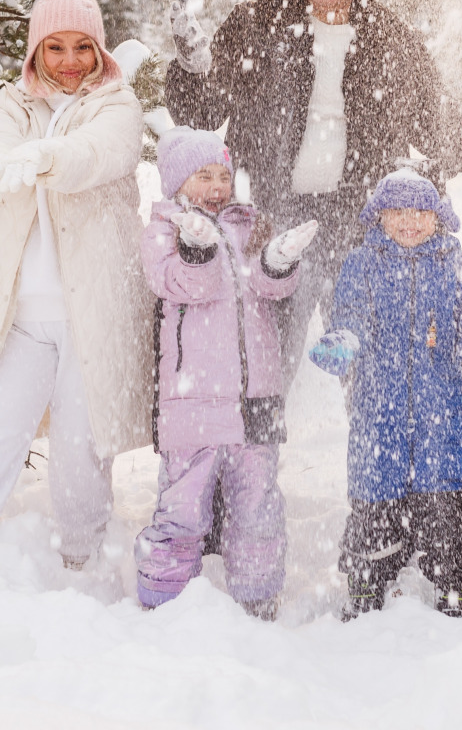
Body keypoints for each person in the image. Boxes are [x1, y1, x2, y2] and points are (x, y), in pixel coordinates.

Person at [165, 0, 462, 379]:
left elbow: (444, 132)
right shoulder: (255, 25)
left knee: (373, 378)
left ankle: (372, 450)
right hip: (271, 224)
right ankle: (259, 450)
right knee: (260, 378)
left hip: (358, 233)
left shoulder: (390, 40)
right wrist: (193, 68)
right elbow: (200, 110)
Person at [0, 0, 151, 570]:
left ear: (99, 51)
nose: (69, 61)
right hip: (23, 318)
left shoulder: (117, 105)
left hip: (91, 316)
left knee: (82, 451)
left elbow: (97, 152)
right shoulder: (12, 105)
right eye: (54, 47)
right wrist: (1, 158)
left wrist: (47, 158)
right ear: (35, 52)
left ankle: (82, 561)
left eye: (82, 47)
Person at [133, 128, 319, 619]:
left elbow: (270, 290)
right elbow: (179, 283)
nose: (217, 186)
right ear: (176, 182)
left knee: (257, 506)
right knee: (183, 508)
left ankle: (258, 598)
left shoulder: (248, 224)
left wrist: (278, 263)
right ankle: (163, 600)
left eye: (223, 175)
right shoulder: (164, 230)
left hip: (257, 399)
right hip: (192, 404)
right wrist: (197, 249)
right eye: (203, 176)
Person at [309, 168, 462, 619]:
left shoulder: (458, 266)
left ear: (438, 217)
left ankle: (453, 580)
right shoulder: (363, 263)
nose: (409, 222)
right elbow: (351, 313)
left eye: (420, 212)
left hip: (441, 410)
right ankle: (367, 579)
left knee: (445, 502)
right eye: (397, 211)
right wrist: (344, 340)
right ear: (380, 216)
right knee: (376, 498)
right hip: (379, 407)